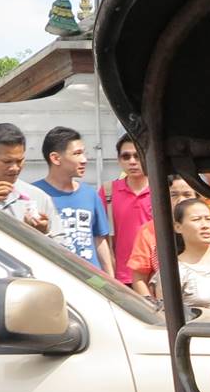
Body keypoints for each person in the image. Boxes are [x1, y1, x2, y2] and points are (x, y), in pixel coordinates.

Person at [0, 123, 68, 246]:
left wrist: (42, 234)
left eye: (20, 161)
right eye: (7, 161)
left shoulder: (38, 197)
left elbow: (63, 249)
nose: (15, 168)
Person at [34, 126, 113, 274]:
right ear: (55, 158)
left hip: (91, 279)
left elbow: (100, 240)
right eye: (77, 154)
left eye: (84, 153)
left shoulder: (90, 194)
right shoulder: (35, 195)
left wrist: (111, 279)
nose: (84, 160)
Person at [126, 175, 200, 297]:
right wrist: (152, 305)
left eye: (187, 195)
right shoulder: (148, 231)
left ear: (197, 198)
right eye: (174, 195)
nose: (180, 200)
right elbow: (139, 279)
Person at [108, 133, 153, 286]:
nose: (132, 161)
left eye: (137, 156)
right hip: (120, 278)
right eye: (126, 156)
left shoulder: (163, 191)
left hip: (157, 276)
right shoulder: (108, 192)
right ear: (119, 160)